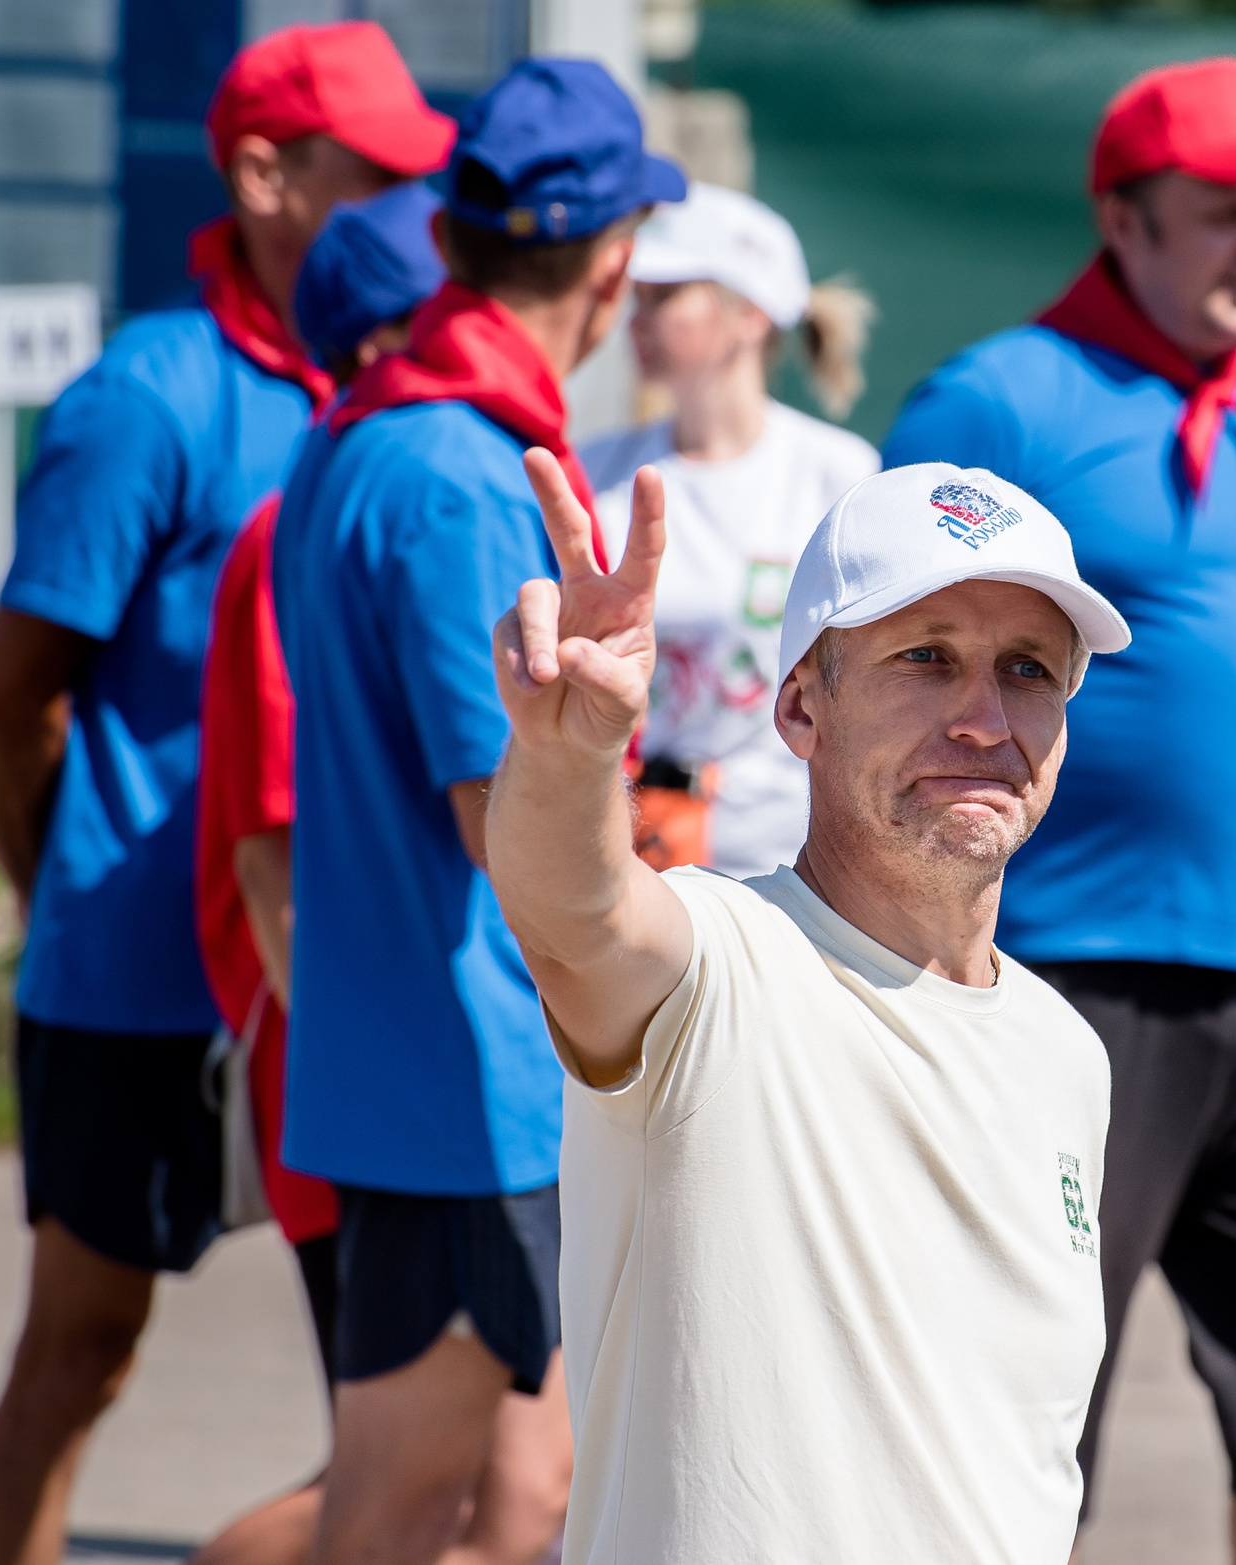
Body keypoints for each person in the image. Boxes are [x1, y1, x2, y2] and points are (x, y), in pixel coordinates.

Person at [0, 23, 452, 1565]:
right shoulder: (151, 398)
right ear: (260, 175)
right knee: (78, 1353)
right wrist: (64, 908)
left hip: (335, 985)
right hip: (138, 980)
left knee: (394, 1408)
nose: (416, 220)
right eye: (378, 182)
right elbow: (3, 704)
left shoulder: (391, 395)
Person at [883, 56, 1236, 1565]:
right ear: (1123, 217)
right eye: (1225, 213)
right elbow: (878, 675)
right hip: (1064, 974)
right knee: (1029, 1387)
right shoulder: (1002, 399)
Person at [483, 453, 1129, 1564]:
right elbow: (575, 910)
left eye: (1027, 669)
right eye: (923, 658)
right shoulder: (720, 966)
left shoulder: (1066, 1054)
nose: (983, 718)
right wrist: (567, 756)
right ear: (799, 705)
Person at [271, 56, 685, 1565]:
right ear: (621, 262)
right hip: (468, 1079)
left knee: (519, 1496)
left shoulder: (365, 433)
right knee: (398, 1507)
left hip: (414, 1055)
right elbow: (499, 820)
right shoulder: (458, 473)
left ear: (449, 242)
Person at [186, 180, 448, 1565]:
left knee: (466, 1477)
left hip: (403, 1076)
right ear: (374, 342)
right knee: (406, 1477)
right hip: (362, 1087)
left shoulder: (384, 501)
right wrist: (380, 1081)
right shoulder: (319, 527)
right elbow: (272, 857)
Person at [577, 182, 879, 877]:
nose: (636, 318)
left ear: (748, 313)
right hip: (623, 861)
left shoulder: (834, 472)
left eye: (666, 296)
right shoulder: (596, 469)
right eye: (637, 297)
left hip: (779, 870)